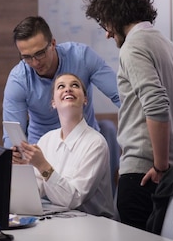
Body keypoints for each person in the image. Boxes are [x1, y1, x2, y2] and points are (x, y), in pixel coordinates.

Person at [83, 0, 173, 230]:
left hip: (144, 174)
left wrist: (161, 165)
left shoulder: (133, 46)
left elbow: (156, 104)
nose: (107, 33)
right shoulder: (170, 47)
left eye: (106, 24)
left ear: (117, 17)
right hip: (170, 173)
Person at [3, 16, 120, 146]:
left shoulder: (82, 57)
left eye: (40, 53)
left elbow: (121, 96)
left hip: (85, 143)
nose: (35, 62)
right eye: (27, 57)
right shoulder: (19, 79)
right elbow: (13, 134)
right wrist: (16, 154)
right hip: (42, 146)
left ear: (53, 44)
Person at [13, 73, 115, 218]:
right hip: (62, 220)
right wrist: (23, 167)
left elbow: (73, 200)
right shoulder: (46, 140)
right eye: (61, 86)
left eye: (74, 85)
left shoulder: (96, 143)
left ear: (85, 99)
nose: (68, 89)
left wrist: (42, 165)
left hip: (94, 225)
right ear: (53, 102)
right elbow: (36, 191)